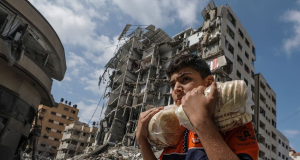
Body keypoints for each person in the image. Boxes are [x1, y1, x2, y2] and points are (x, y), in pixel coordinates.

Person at [136, 54, 259, 160]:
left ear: (209, 82)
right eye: (173, 85)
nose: (177, 89)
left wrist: (201, 120)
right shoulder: (173, 127)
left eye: (185, 79)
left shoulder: (233, 119)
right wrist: (142, 141)